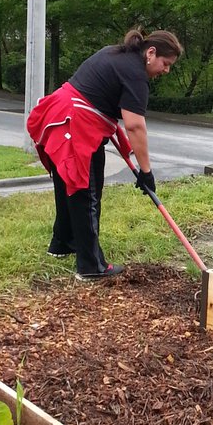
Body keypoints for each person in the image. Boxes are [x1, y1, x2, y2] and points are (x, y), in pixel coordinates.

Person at [27, 28, 183, 282]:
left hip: (59, 115)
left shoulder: (115, 54)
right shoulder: (135, 74)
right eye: (165, 64)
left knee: (67, 183)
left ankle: (63, 243)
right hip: (75, 123)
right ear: (151, 53)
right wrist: (146, 172)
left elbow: (101, 100)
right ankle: (91, 266)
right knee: (85, 190)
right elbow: (135, 126)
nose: (166, 70)